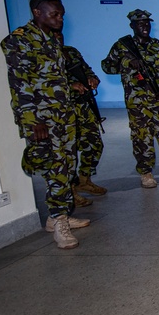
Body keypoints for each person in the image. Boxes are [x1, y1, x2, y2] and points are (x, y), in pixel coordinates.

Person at [1, 0, 90, 249]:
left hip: (63, 115)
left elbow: (49, 79)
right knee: (55, 168)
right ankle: (58, 221)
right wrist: (32, 121)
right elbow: (19, 84)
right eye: (54, 14)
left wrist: (71, 85)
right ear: (37, 12)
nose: (60, 18)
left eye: (61, 14)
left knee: (67, 165)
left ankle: (59, 215)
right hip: (41, 119)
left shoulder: (51, 40)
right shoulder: (19, 40)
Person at [102, 9, 159, 188]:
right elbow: (107, 66)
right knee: (141, 138)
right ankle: (146, 173)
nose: (145, 26)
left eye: (147, 23)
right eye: (140, 24)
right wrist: (126, 62)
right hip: (137, 102)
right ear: (132, 26)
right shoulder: (122, 46)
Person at [58, 33, 105, 206]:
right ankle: (70, 190)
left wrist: (92, 79)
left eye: (60, 35)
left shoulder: (71, 52)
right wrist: (70, 87)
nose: (58, 38)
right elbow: (42, 84)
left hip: (83, 107)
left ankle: (84, 181)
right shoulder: (46, 55)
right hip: (62, 111)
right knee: (69, 152)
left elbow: (87, 70)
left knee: (94, 144)